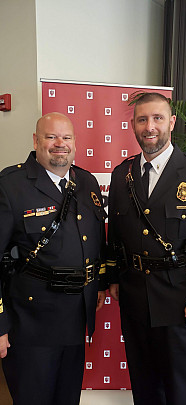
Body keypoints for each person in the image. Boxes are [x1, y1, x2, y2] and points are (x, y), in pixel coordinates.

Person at [107, 92, 186, 405]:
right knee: (145, 393)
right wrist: (116, 278)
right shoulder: (123, 175)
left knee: (182, 395)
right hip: (135, 306)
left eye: (157, 118)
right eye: (142, 119)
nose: (150, 126)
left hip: (184, 307)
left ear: (171, 122)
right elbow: (117, 236)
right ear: (133, 125)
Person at [0, 112, 107, 405]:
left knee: (67, 398)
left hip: (75, 316)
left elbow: (96, 241)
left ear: (75, 143)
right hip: (31, 322)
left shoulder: (86, 181)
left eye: (66, 137)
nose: (60, 144)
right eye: (51, 137)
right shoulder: (11, 185)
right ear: (36, 141)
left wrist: (99, 284)